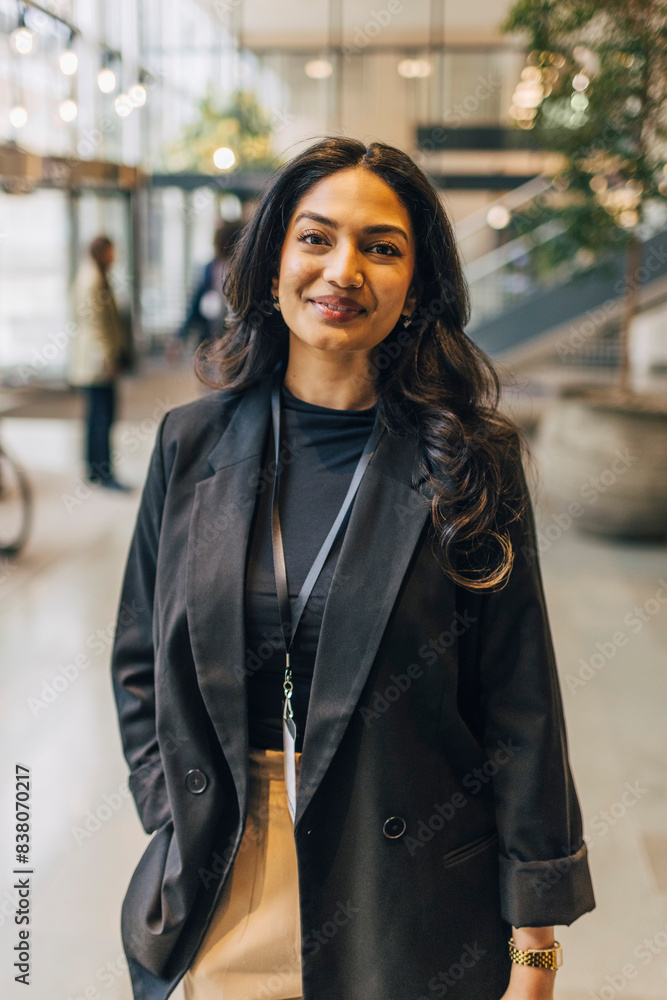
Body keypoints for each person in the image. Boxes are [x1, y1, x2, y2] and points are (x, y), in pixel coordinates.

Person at [110, 137, 595, 1000]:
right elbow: (141, 657)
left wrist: (535, 945)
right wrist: (173, 811)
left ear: (415, 288)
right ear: (270, 266)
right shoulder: (191, 444)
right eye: (315, 238)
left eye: (380, 247)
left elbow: (520, 706)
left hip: (405, 895)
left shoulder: (468, 460)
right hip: (223, 878)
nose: (343, 270)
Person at [67, 235, 132, 490]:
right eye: (112, 252)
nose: (114, 257)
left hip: (93, 360)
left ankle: (94, 469)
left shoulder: (92, 274)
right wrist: (110, 358)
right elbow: (97, 325)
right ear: (103, 252)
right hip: (97, 363)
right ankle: (104, 473)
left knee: (96, 417)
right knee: (103, 417)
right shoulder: (94, 280)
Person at [170, 219, 243, 355]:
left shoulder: (240, 270)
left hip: (232, 337)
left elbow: (195, 302)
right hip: (212, 335)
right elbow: (196, 301)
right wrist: (180, 335)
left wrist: (180, 336)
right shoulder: (210, 268)